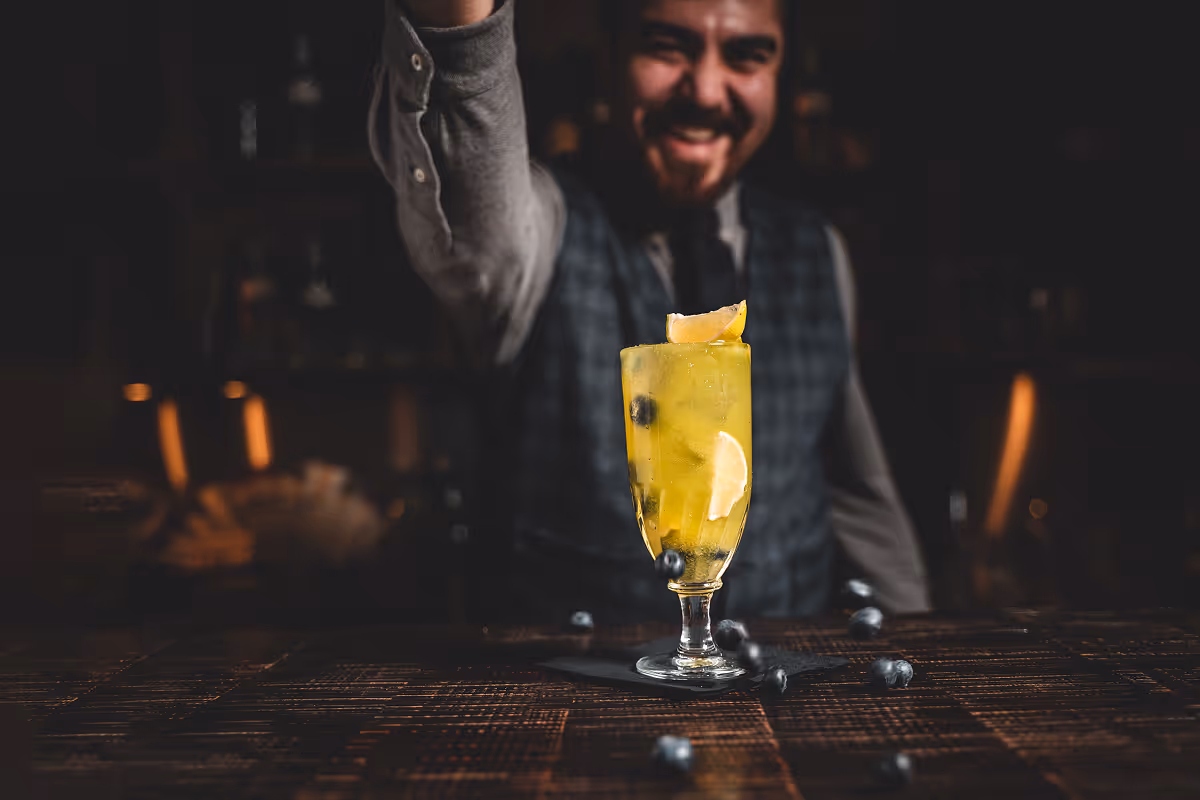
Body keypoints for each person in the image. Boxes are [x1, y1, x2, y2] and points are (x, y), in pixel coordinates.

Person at [368, 0, 930, 622]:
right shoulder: (537, 232)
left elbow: (861, 501)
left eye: (747, 56)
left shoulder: (820, 251)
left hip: (783, 703)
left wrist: (918, 664)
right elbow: (467, 151)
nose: (707, 91)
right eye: (668, 47)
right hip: (570, 707)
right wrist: (459, 30)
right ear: (609, 58)